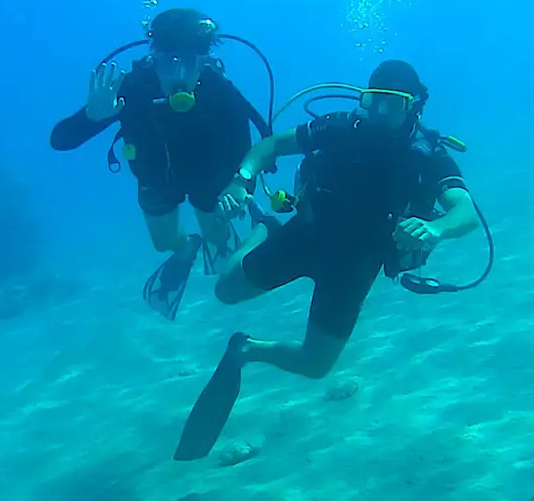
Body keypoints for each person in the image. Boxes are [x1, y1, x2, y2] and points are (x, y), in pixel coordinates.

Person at [173, 59, 483, 461]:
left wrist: (436, 228)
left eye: (395, 104)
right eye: (375, 101)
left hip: (355, 266)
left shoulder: (427, 155)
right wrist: (243, 178)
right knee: (225, 291)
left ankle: (246, 349)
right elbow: (272, 145)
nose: (381, 113)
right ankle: (263, 230)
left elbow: (466, 211)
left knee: (315, 365)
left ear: (415, 106)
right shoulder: (342, 127)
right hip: (306, 235)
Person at [50, 8, 274, 319]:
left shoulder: (219, 90)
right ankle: (186, 249)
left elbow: (248, 146)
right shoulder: (132, 88)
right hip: (155, 180)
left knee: (217, 233)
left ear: (205, 61)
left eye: (191, 62)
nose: (179, 75)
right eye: (170, 61)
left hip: (210, 179)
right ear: (154, 57)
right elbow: (60, 141)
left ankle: (214, 240)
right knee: (163, 242)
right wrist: (91, 117)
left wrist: (240, 185)